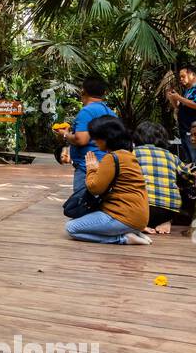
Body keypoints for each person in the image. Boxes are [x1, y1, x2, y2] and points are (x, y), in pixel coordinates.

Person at [65, 115, 152, 245]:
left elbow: (95, 188)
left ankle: (123, 238)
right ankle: (132, 231)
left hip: (121, 216)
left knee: (71, 228)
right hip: (140, 217)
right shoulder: (128, 155)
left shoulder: (112, 157)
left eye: (96, 138)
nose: (94, 142)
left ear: (107, 138)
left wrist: (91, 169)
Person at [61, 76, 115, 195]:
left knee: (82, 205)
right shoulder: (111, 113)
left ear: (83, 91)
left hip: (87, 167)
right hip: (107, 168)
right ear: (104, 93)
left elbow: (81, 139)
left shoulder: (87, 112)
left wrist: (66, 134)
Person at [132, 121, 183, 234]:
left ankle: (137, 224)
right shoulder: (172, 156)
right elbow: (189, 178)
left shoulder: (132, 153)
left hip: (139, 209)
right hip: (168, 211)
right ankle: (165, 221)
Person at [167, 63, 196, 164]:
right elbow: (179, 108)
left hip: (195, 131)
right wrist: (173, 99)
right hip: (184, 130)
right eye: (180, 77)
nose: (181, 79)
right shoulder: (188, 90)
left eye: (183, 76)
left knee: (195, 159)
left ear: (192, 75)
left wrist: (179, 97)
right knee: (189, 159)